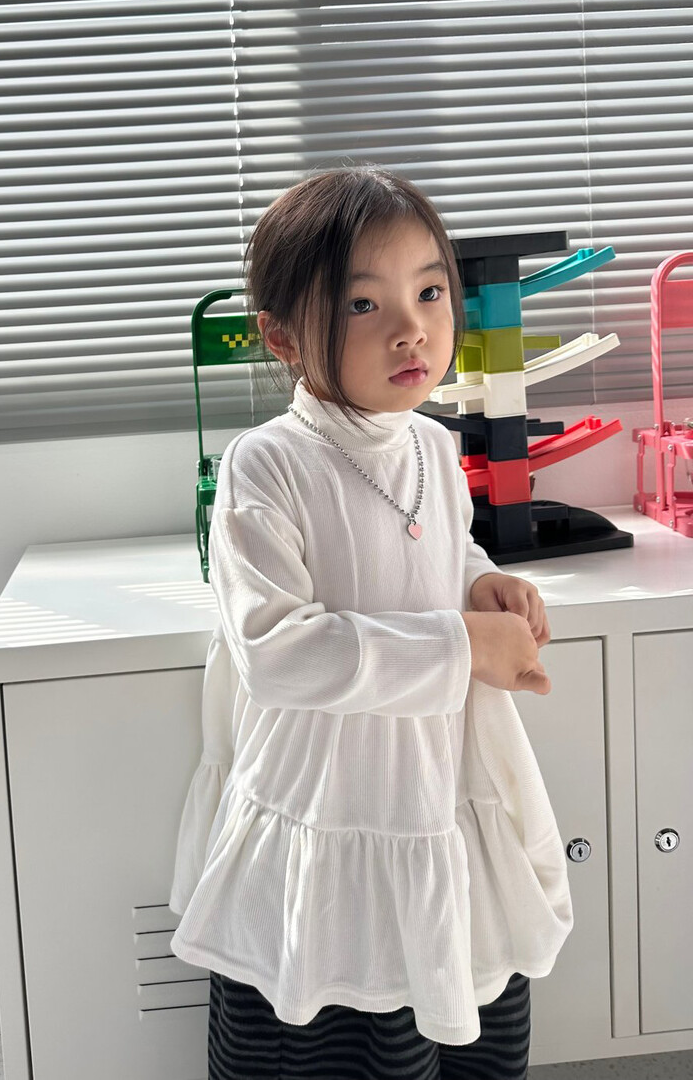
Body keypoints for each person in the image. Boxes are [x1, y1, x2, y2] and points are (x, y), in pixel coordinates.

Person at [168, 167, 574, 1079]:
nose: (411, 327)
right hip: (331, 797)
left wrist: (483, 589)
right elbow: (277, 651)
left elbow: (444, 552)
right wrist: (463, 645)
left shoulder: (431, 441)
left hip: (436, 780)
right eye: (363, 303)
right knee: (342, 1030)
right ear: (281, 336)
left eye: (429, 291)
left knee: (470, 1012)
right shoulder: (267, 464)